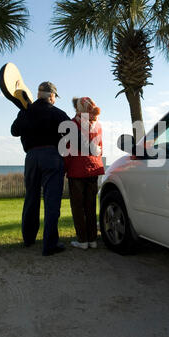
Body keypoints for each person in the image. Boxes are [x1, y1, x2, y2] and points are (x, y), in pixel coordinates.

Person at [11, 81, 70, 256]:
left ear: (38, 95)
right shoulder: (58, 114)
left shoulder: (25, 111)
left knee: (31, 197)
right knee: (51, 201)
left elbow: (14, 131)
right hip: (52, 156)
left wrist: (26, 116)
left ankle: (28, 239)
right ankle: (49, 244)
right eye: (54, 97)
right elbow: (72, 134)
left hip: (31, 157)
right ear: (51, 96)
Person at [64, 97, 105, 250]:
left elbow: (68, 150)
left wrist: (64, 169)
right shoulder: (98, 125)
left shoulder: (73, 124)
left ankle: (82, 240)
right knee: (91, 205)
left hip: (77, 169)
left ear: (79, 108)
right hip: (94, 168)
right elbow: (100, 148)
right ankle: (93, 240)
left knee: (78, 207)